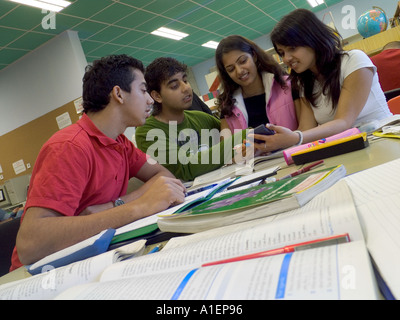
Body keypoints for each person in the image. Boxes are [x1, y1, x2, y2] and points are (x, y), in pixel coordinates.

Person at [11, 54, 186, 271]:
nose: (150, 100)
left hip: (94, 253)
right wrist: (138, 207)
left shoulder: (121, 143)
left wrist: (117, 204)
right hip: (40, 273)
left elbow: (164, 177)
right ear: (119, 94)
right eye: (142, 90)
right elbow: (31, 244)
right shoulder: (69, 146)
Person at [251, 8, 392, 153]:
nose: (286, 58)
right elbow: (306, 129)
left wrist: (294, 137)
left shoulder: (354, 60)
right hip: (347, 149)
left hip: (382, 141)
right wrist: (273, 143)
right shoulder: (303, 82)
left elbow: (344, 122)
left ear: (312, 39)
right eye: (282, 53)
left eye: (292, 48)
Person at [135, 57, 246, 182]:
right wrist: (247, 135)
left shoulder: (201, 118)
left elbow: (233, 134)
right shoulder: (147, 131)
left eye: (185, 80)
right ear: (157, 96)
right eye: (175, 86)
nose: (186, 88)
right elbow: (186, 168)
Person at [215, 35, 299, 135]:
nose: (239, 71)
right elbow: (227, 147)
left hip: (294, 149)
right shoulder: (228, 106)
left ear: (254, 56)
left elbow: (306, 128)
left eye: (243, 61)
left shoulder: (287, 84)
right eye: (231, 69)